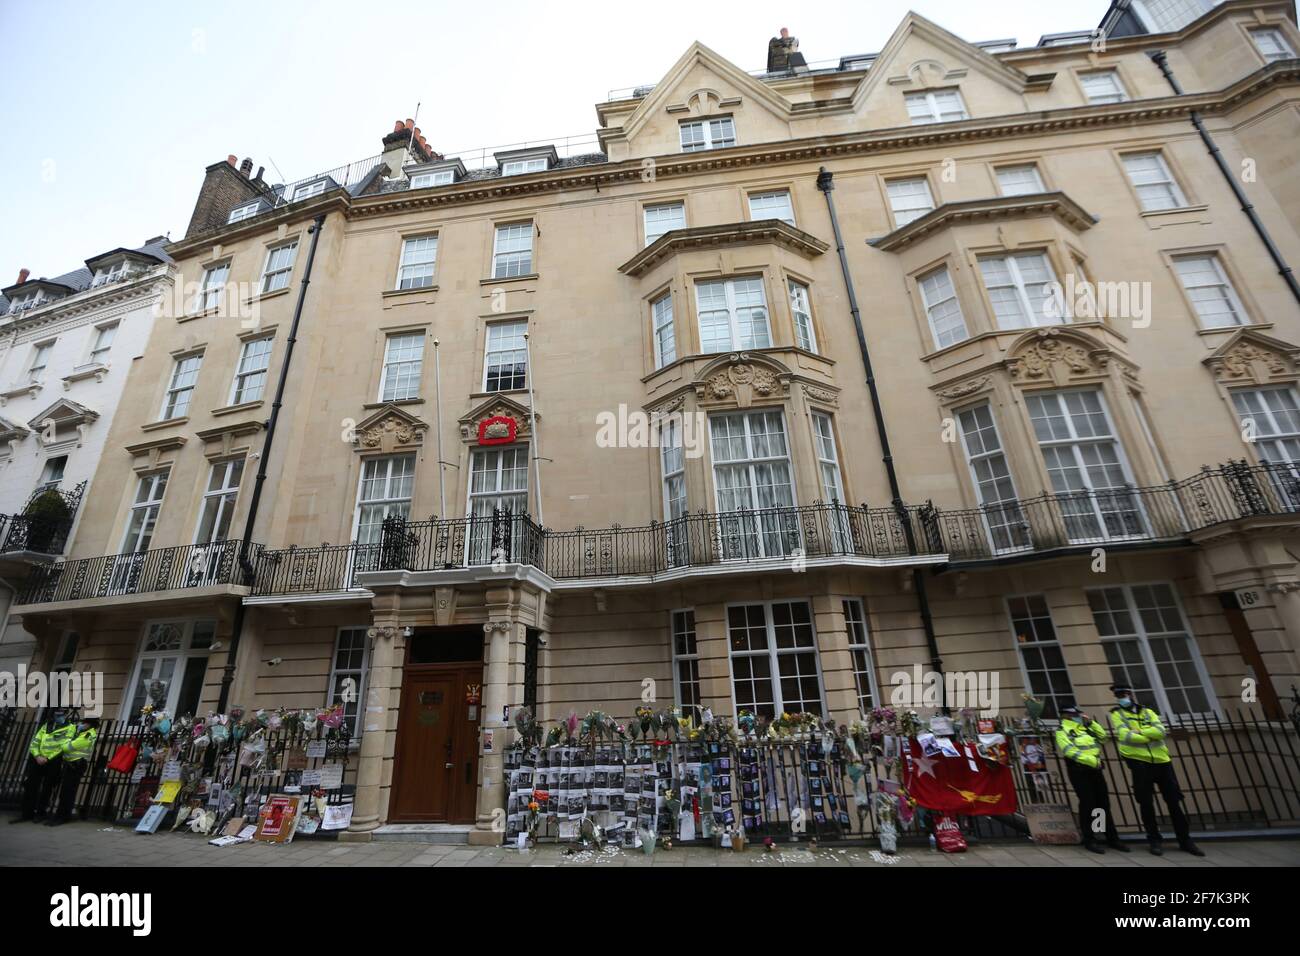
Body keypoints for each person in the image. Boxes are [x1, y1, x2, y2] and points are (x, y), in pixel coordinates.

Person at [1108, 684, 1204, 856]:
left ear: (1131, 694)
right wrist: (1147, 733)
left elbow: (1161, 731)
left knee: (1174, 802)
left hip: (1161, 761)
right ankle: (1154, 840)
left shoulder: (1147, 712)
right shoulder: (1117, 714)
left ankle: (1185, 840)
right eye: (1119, 695)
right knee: (1146, 803)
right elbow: (1125, 735)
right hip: (1138, 761)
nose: (1122, 697)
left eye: (1124, 694)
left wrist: (1140, 731)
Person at [1055, 705, 1128, 854]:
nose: (1078, 716)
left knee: (1102, 803)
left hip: (1095, 770)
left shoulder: (1086, 728)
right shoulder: (1062, 731)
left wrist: (1092, 723)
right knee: (1088, 803)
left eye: (1078, 714)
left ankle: (1108, 836)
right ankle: (1090, 839)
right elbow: (1070, 751)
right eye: (1075, 714)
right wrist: (1093, 762)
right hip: (1078, 770)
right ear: (1066, 716)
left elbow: (1103, 737)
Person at [10, 709, 76, 823]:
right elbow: (35, 742)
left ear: (65, 715)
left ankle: (41, 813)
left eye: (61, 715)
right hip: (38, 760)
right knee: (31, 786)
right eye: (56, 715)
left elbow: (64, 745)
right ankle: (27, 814)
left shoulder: (70, 728)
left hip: (54, 761)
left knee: (47, 788)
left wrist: (48, 758)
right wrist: (37, 756)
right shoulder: (47, 725)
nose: (58, 717)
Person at [46, 715, 99, 827]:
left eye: (85, 723)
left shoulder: (88, 735)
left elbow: (67, 747)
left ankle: (63, 816)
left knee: (68, 792)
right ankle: (59, 814)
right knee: (64, 790)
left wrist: (67, 740)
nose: (82, 725)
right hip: (70, 764)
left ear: (90, 725)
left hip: (76, 765)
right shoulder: (81, 733)